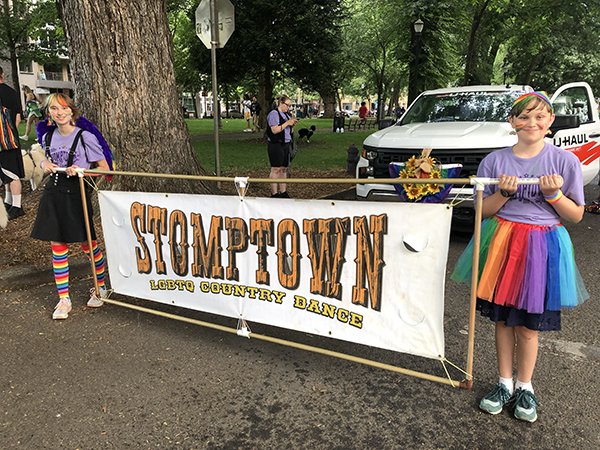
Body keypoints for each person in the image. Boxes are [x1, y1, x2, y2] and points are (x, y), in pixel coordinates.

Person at [451, 92, 588, 423]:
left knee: (529, 325)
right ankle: (504, 384)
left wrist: (554, 194)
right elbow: (482, 211)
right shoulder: (495, 161)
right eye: (524, 116)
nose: (531, 123)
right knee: (502, 320)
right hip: (503, 243)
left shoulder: (565, 161)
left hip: (543, 247)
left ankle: (525, 386)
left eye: (540, 116)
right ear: (512, 122)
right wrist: (503, 193)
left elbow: (577, 215)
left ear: (550, 122)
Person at [31, 93, 110, 320]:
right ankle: (64, 299)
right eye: (54, 109)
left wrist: (82, 172)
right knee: (57, 245)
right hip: (53, 193)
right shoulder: (48, 137)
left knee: (88, 244)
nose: (60, 112)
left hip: (78, 194)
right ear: (48, 113)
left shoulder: (85, 137)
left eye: (64, 108)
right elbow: (40, 156)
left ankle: (100, 286)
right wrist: (44, 162)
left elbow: (105, 168)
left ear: (72, 110)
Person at [0, 66, 24, 220]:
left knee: (11, 174)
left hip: (4, 143)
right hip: (10, 140)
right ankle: (9, 201)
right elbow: (18, 118)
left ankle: (17, 206)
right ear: (2, 74)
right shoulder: (12, 93)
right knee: (8, 172)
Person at [266, 95, 297, 198]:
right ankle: (274, 193)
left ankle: (283, 192)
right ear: (281, 103)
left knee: (284, 168)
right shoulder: (274, 114)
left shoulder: (286, 115)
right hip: (276, 144)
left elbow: (289, 131)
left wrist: (291, 126)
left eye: (289, 105)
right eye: (287, 105)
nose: (288, 107)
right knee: (276, 169)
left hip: (286, 144)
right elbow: (274, 130)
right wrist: (287, 123)